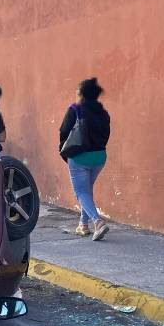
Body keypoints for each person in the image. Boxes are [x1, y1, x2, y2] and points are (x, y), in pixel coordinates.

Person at [59, 77, 112, 240]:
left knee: (81, 192)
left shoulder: (75, 109)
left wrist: (63, 152)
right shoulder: (104, 113)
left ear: (81, 94)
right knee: (86, 191)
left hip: (79, 156)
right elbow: (107, 134)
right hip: (99, 157)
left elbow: (64, 131)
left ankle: (98, 222)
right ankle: (83, 225)